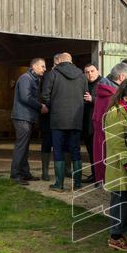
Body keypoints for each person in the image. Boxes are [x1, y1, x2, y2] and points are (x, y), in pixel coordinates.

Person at [103, 81, 127, 252]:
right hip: (119, 166)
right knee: (119, 202)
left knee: (125, 201)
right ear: (125, 98)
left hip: (123, 165)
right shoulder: (115, 113)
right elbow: (116, 141)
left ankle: (118, 234)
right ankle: (115, 237)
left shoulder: (123, 111)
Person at [41, 52, 88, 192]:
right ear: (71, 60)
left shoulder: (53, 74)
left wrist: (53, 105)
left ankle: (59, 184)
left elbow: (44, 95)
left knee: (59, 150)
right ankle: (78, 184)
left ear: (59, 60)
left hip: (58, 118)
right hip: (76, 118)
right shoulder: (81, 75)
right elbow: (86, 95)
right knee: (75, 150)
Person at [93, 61, 127, 184]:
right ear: (122, 77)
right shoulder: (113, 95)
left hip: (102, 135)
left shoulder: (103, 90)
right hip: (112, 138)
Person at [9, 58, 46, 185]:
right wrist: (40, 106)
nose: (44, 69)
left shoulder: (33, 78)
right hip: (22, 117)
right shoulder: (26, 78)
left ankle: (25, 173)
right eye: (42, 66)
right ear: (34, 66)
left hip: (27, 117)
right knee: (21, 146)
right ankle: (15, 175)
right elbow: (26, 97)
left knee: (24, 146)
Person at [80, 62, 102, 183]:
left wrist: (92, 99)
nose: (90, 74)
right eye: (87, 72)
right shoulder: (84, 84)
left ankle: (100, 176)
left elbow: (109, 99)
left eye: (92, 71)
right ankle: (95, 175)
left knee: (99, 152)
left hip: (98, 123)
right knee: (91, 151)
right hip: (87, 123)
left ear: (97, 71)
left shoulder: (103, 83)